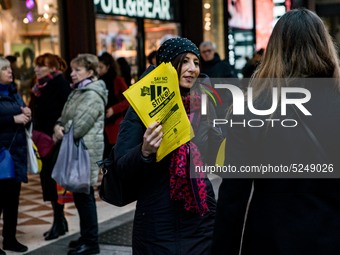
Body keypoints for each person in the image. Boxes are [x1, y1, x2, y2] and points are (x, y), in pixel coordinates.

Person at [211, 9, 340, 255]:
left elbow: (233, 200)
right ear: (324, 45)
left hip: (271, 240)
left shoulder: (253, 108)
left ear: (276, 49)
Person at [114, 37, 223, 255]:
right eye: (185, 61)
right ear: (168, 65)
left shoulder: (203, 102)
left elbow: (213, 157)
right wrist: (144, 151)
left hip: (200, 215)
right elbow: (121, 168)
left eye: (196, 62)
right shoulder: (143, 106)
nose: (192, 69)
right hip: (157, 220)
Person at [53, 53, 107, 255]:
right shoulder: (80, 91)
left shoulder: (92, 94)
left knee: (85, 198)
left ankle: (91, 242)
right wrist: (59, 124)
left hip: (85, 152)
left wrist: (62, 129)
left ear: (91, 71)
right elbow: (66, 116)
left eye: (77, 70)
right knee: (81, 197)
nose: (72, 74)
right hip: (77, 150)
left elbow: (79, 125)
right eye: (72, 70)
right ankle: (86, 237)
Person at [30, 53, 72, 241]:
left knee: (55, 182)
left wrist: (58, 128)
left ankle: (59, 221)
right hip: (41, 140)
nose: (37, 69)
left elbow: (66, 111)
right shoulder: (38, 86)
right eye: (36, 66)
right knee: (47, 182)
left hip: (56, 140)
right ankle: (59, 220)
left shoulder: (60, 84)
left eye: (41, 66)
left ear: (53, 68)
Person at [0, 57, 31, 254]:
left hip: (15, 153)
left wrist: (27, 113)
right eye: (5, 69)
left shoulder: (14, 92)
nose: (10, 72)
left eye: (10, 69)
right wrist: (13, 118)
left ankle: (10, 239)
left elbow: (23, 116)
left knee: (12, 200)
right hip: (1, 154)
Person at [98, 52, 129, 158]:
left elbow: (128, 100)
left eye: (101, 67)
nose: (98, 70)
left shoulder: (117, 80)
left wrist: (113, 109)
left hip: (114, 123)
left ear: (108, 66)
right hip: (100, 122)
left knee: (113, 154)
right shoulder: (96, 81)